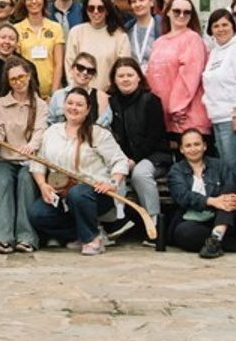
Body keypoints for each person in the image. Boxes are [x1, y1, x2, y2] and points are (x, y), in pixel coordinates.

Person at [28, 88, 128, 256]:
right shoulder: (52, 132)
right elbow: (38, 162)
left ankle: (92, 240)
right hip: (62, 194)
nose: (73, 108)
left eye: (79, 105)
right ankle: (86, 233)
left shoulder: (98, 133)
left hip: (95, 194)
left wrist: (112, 183)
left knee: (78, 193)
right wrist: (43, 184)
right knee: (37, 214)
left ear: (88, 109)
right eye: (70, 103)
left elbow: (120, 161)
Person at [0, 57, 48, 253]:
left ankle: (26, 238)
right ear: (8, 82)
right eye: (13, 79)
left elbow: (40, 131)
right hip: (2, 160)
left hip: (28, 160)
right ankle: (1, 238)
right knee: (5, 183)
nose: (18, 83)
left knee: (26, 181)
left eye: (21, 77)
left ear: (29, 76)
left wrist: (31, 147)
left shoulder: (40, 105)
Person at [105, 57, 168, 240]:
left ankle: (154, 225)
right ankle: (118, 221)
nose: (125, 79)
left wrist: (134, 160)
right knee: (115, 172)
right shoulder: (111, 102)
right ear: (114, 79)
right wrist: (122, 161)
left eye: (130, 75)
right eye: (121, 76)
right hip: (123, 157)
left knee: (140, 173)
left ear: (139, 77)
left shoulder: (151, 100)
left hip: (154, 156)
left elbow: (154, 136)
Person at [167, 128, 236, 258]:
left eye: (197, 144)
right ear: (181, 149)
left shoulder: (219, 165)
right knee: (184, 233)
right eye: (188, 145)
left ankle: (216, 237)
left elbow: (233, 189)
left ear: (204, 146)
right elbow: (183, 196)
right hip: (192, 221)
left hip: (221, 217)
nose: (193, 149)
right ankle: (231, 243)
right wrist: (212, 201)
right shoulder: (176, 170)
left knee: (230, 187)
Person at [144, 0, 209, 139]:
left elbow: (189, 76)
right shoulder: (159, 42)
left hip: (185, 118)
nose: (181, 15)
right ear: (167, 12)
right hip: (163, 118)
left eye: (187, 12)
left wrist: (177, 108)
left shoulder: (192, 39)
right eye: (177, 11)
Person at [203, 9, 236, 180]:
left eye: (225, 24)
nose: (221, 29)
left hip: (234, 118)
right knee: (226, 168)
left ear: (233, 26)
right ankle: (231, 204)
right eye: (216, 26)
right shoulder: (216, 51)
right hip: (217, 117)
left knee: (235, 168)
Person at [64, 0, 132, 91]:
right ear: (86, 11)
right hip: (80, 94)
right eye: (91, 8)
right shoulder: (76, 32)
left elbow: (123, 68)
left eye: (101, 8)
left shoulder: (120, 36)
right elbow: (69, 64)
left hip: (108, 95)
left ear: (107, 11)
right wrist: (77, 90)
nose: (96, 12)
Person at [14, 0, 66, 93]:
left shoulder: (55, 27)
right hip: (26, 91)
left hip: (52, 90)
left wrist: (54, 93)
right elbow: (17, 64)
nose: (33, 2)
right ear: (24, 2)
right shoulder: (17, 29)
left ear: (44, 0)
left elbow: (59, 63)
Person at [47, 53, 112, 126]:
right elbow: (50, 122)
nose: (85, 72)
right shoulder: (58, 96)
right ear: (72, 69)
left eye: (90, 71)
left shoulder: (101, 98)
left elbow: (104, 126)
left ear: (94, 75)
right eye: (80, 68)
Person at [124, 0, 160, 71]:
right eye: (133, 2)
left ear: (151, 2)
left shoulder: (162, 26)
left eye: (141, 0)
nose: (137, 4)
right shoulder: (127, 29)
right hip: (134, 78)